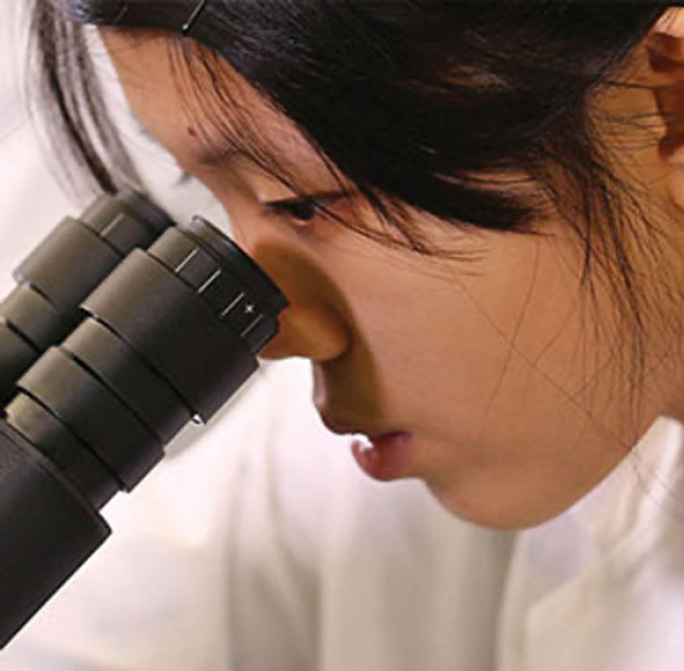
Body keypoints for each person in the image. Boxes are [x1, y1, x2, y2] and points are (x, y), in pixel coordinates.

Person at [8, 0, 684, 669]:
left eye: (301, 202)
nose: (277, 335)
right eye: (207, 187)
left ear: (670, 100)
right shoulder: (388, 455)